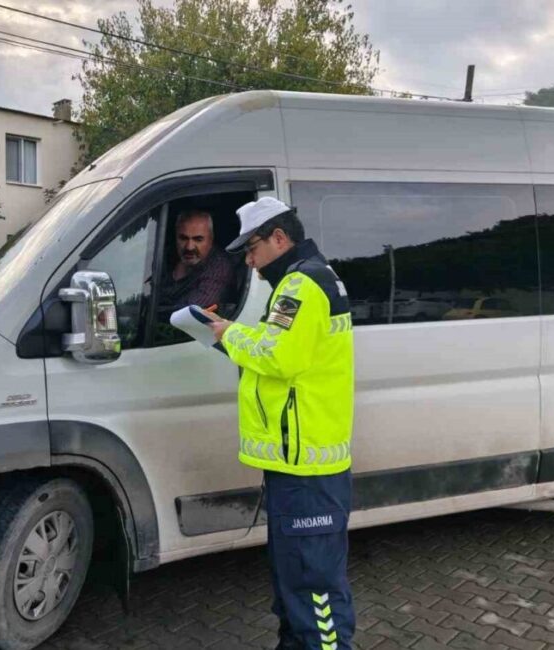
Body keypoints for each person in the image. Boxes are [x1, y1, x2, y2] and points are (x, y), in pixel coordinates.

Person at [207, 197, 356, 650]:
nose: (249, 263)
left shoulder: (300, 285)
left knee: (314, 593)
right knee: (295, 587)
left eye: (251, 249)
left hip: (306, 468)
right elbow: (279, 344)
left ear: (278, 237)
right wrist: (228, 333)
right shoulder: (309, 278)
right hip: (302, 463)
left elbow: (278, 355)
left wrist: (227, 334)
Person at [159, 209, 235, 311]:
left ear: (211, 239)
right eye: (183, 238)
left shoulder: (219, 269)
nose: (189, 247)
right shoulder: (166, 255)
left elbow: (189, 314)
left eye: (198, 239)